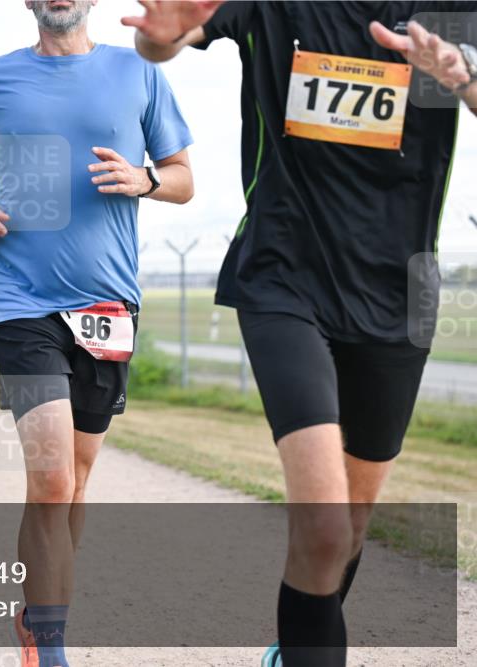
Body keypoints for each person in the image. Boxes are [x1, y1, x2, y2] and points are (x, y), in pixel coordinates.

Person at [125, 2, 477, 666]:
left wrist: (460, 76)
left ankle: (295, 646)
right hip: (285, 273)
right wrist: (162, 41)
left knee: (347, 531)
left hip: (396, 294)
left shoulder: (449, 10)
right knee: (322, 524)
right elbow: (179, 33)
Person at [0, 1, 194, 665]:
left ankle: (42, 611)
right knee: (51, 477)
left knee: (76, 480)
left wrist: (145, 178)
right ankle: (51, 648)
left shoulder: (137, 70)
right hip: (18, 296)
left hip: (107, 301)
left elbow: (184, 178)